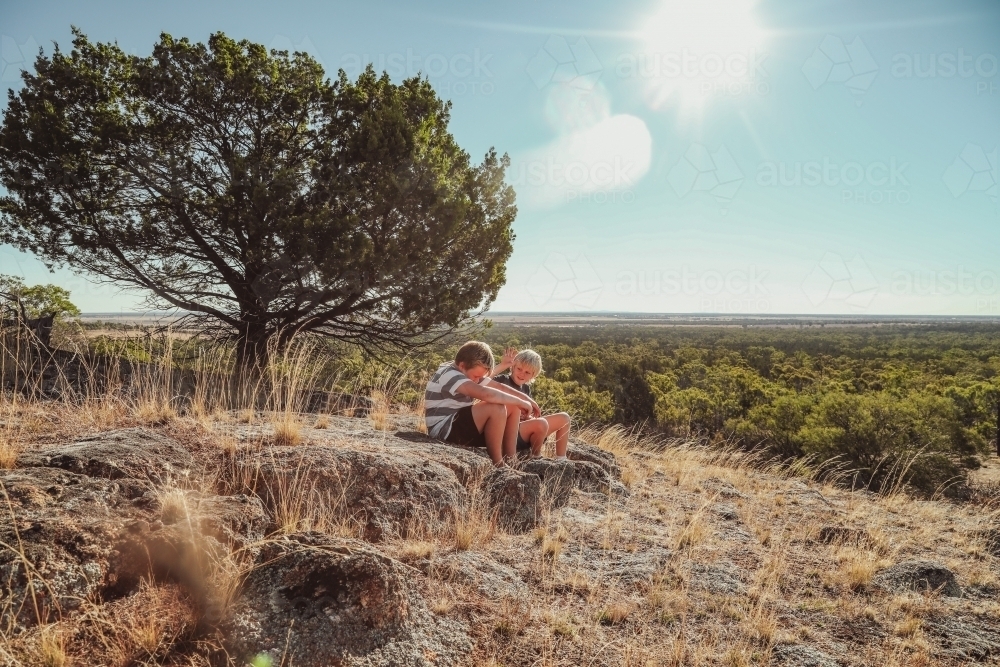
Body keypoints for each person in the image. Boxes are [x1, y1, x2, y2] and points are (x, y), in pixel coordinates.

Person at [424, 341, 542, 466]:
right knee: (494, 406)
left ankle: (511, 459)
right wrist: (521, 401)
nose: (477, 380)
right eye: (475, 376)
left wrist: (527, 400)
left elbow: (500, 387)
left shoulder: (467, 370)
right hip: (443, 431)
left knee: (513, 405)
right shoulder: (449, 374)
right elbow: (485, 394)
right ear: (462, 366)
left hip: (461, 427)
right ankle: (498, 463)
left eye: (479, 377)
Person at [490, 347, 572, 460]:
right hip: (505, 432)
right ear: (513, 366)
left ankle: (562, 459)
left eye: (527, 372)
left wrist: (528, 417)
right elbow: (482, 382)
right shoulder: (502, 380)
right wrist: (502, 365)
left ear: (533, 375)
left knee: (564, 418)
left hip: (523, 431)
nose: (522, 374)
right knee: (541, 423)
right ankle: (535, 457)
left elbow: (527, 415)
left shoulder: (526, 389)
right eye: (519, 368)